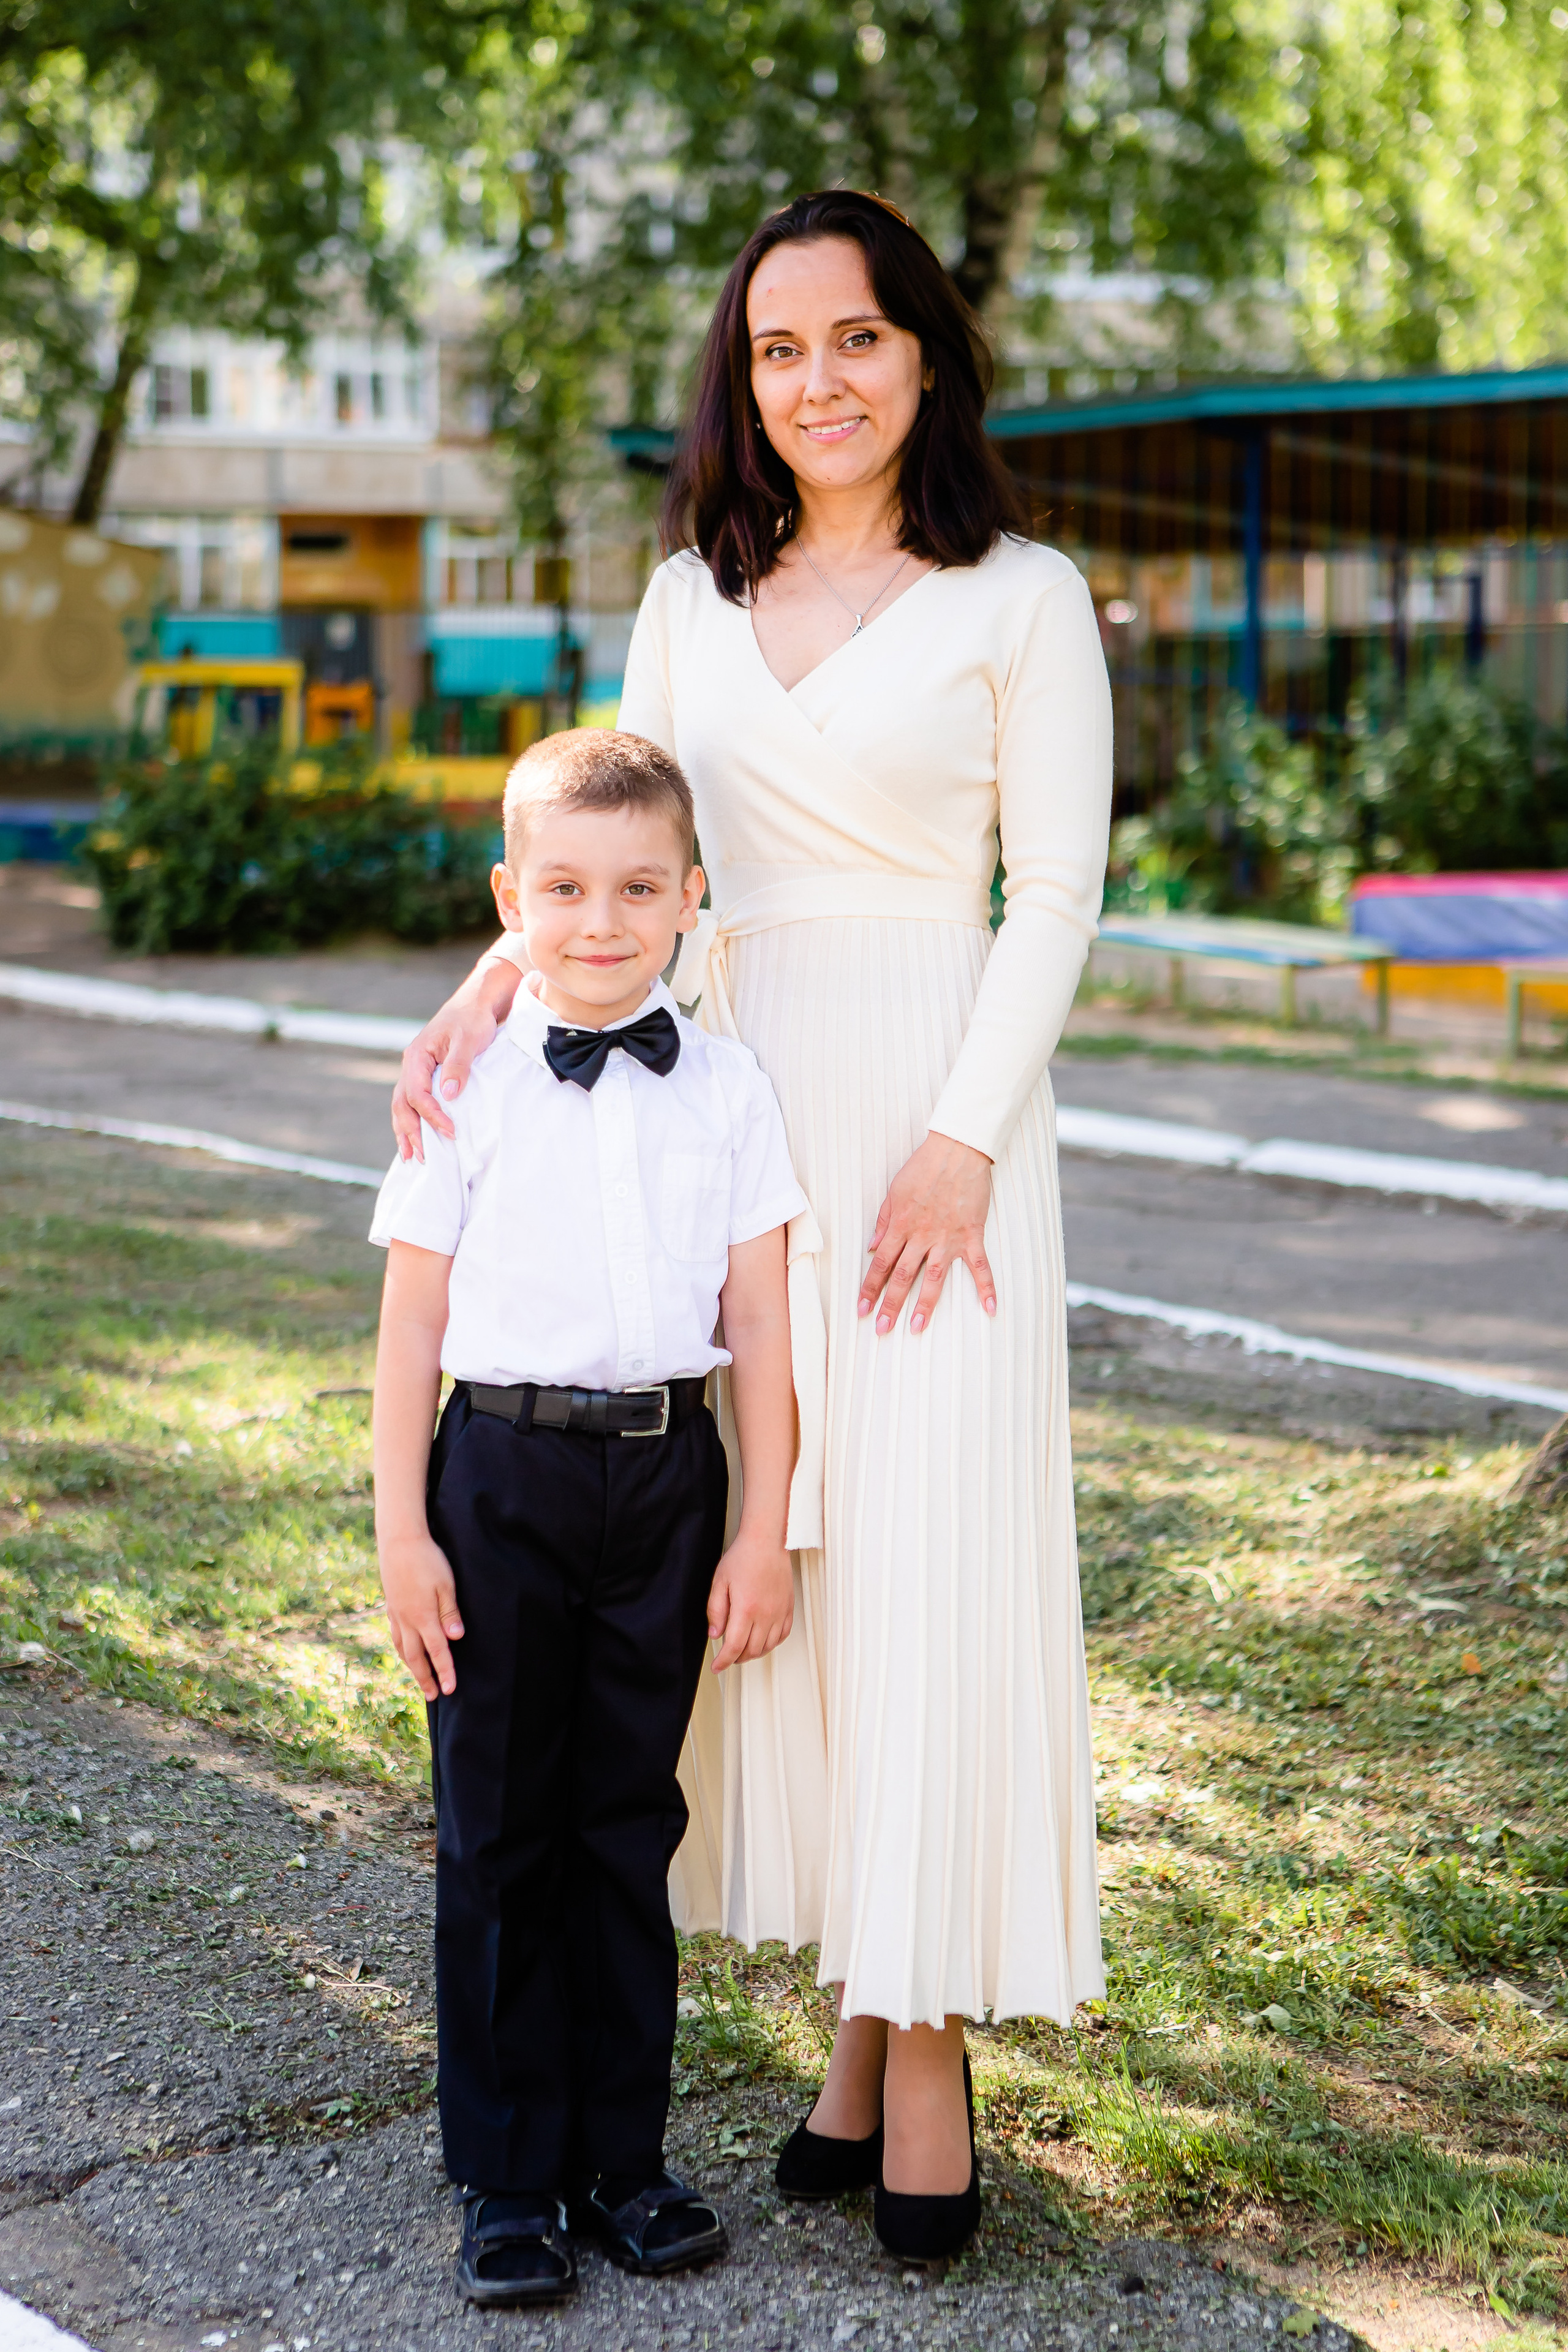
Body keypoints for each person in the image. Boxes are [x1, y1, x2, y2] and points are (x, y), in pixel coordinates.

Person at [393, 188, 1112, 2264]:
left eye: (859, 339)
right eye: (780, 347)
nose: (819, 380)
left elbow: (1053, 895)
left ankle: (924, 2042)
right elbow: (611, 841)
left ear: (926, 357)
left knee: (934, 1575)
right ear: (745, 375)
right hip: (729, 1112)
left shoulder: (1023, 594)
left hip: (940, 1126)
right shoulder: (686, 598)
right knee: (783, 1560)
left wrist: (966, 1138)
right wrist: (476, 991)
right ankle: (846, 2015)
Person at [370, 728, 808, 2307]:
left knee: (628, 1826)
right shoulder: (463, 1083)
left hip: (667, 1483)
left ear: (693, 897)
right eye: (563, 888)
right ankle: (504, 2180)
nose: (601, 920)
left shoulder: (733, 1084)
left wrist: (761, 1527)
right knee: (498, 1830)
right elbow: (410, 1320)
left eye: (636, 888)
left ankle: (623, 2160)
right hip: (495, 1480)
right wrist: (402, 1533)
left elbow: (759, 1316)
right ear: (510, 897)